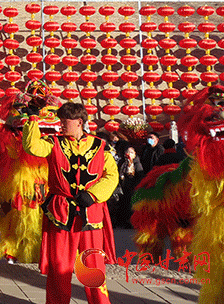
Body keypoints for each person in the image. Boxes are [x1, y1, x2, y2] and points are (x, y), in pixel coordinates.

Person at [23, 102, 118, 304]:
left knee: (93, 267)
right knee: (59, 267)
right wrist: (32, 120)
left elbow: (112, 176)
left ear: (79, 122)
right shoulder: (53, 143)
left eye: (64, 121)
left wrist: (93, 195)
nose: (61, 125)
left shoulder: (100, 146)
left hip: (90, 213)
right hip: (61, 213)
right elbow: (32, 147)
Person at [115, 146, 143, 228]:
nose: (129, 154)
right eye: (127, 152)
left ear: (134, 154)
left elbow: (140, 176)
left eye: (131, 152)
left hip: (132, 188)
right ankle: (122, 221)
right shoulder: (122, 163)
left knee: (131, 206)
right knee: (123, 205)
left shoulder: (137, 163)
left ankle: (130, 222)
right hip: (123, 187)